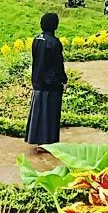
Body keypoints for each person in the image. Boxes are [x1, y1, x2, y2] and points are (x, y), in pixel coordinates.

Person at [26, 13, 68, 150]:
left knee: (38, 113)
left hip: (37, 81)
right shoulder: (54, 42)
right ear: (54, 25)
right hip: (51, 83)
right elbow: (58, 64)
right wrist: (63, 80)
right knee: (49, 113)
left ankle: (38, 140)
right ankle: (46, 143)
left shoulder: (36, 39)